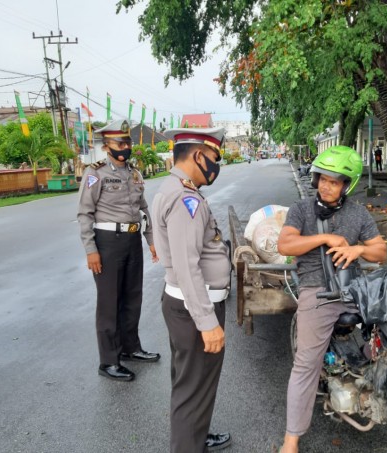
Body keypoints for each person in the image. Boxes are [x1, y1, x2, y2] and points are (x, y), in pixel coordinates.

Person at [277, 145, 387, 453]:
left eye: (334, 181)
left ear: (346, 185)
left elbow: (380, 250)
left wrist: (359, 250)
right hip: (317, 291)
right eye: (322, 178)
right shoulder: (301, 210)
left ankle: (366, 370)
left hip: (352, 288)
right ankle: (291, 439)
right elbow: (285, 244)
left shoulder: (358, 213)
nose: (326, 185)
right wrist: (324, 238)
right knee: (306, 365)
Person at [151, 127, 232, 453]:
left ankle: (196, 434)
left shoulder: (172, 189)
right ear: (199, 155)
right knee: (192, 387)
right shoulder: (186, 199)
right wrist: (207, 322)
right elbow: (186, 266)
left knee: (191, 384)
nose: (217, 165)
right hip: (194, 309)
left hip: (184, 305)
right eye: (215, 158)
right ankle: (188, 443)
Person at [77, 119, 160, 382]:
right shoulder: (95, 173)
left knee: (132, 297)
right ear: (106, 146)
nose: (125, 147)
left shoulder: (134, 174)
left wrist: (151, 239)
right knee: (109, 302)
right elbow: (84, 213)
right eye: (119, 143)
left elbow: (143, 209)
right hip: (107, 242)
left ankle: (130, 348)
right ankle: (109, 361)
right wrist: (91, 250)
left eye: (128, 142)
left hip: (132, 241)